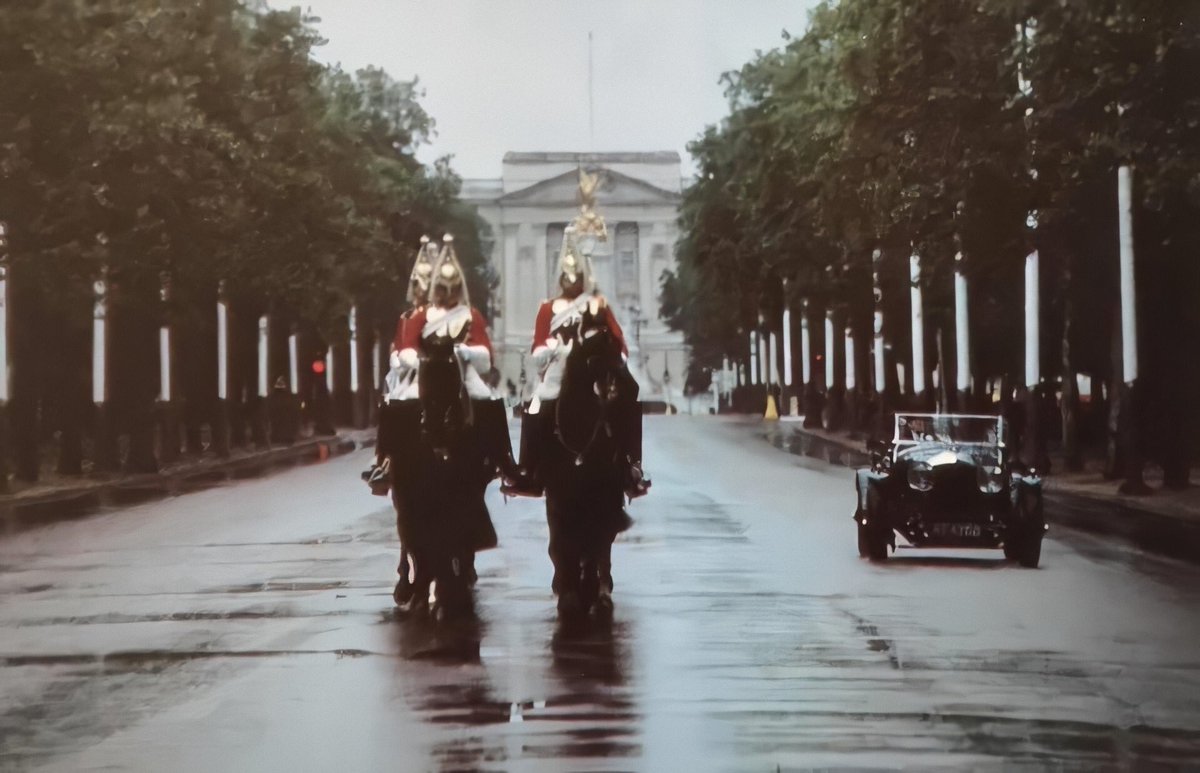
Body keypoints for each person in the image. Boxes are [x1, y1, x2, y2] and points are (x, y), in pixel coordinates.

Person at [393, 235, 505, 616]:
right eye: (441, 288)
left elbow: (486, 357)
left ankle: (503, 459)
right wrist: (417, 360)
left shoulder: (470, 316)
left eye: (449, 287)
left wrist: (464, 352)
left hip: (464, 374)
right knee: (399, 405)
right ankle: (387, 460)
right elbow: (406, 347)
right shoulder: (420, 316)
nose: (444, 293)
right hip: (425, 376)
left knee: (488, 402)